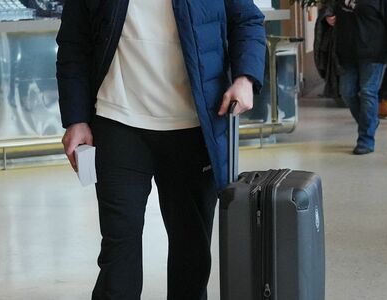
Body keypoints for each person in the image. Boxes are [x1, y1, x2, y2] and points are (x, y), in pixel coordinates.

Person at [56, 0, 266, 298]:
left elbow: (247, 21)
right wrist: (76, 119)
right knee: (118, 253)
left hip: (194, 130)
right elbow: (73, 43)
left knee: (191, 254)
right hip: (118, 123)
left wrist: (245, 77)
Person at [331, 0, 387, 155]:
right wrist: (328, 16)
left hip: (375, 52)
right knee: (347, 92)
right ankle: (370, 122)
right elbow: (333, 7)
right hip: (348, 52)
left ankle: (366, 139)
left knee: (368, 92)